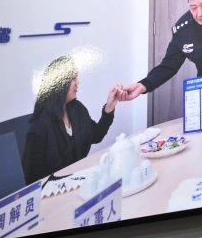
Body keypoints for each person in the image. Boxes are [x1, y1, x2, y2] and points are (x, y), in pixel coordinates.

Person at [22, 55, 125, 183]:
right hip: (54, 189)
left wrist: (109, 108)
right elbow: (33, 179)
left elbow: (96, 136)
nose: (78, 82)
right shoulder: (41, 126)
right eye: (73, 78)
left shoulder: (77, 109)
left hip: (77, 181)